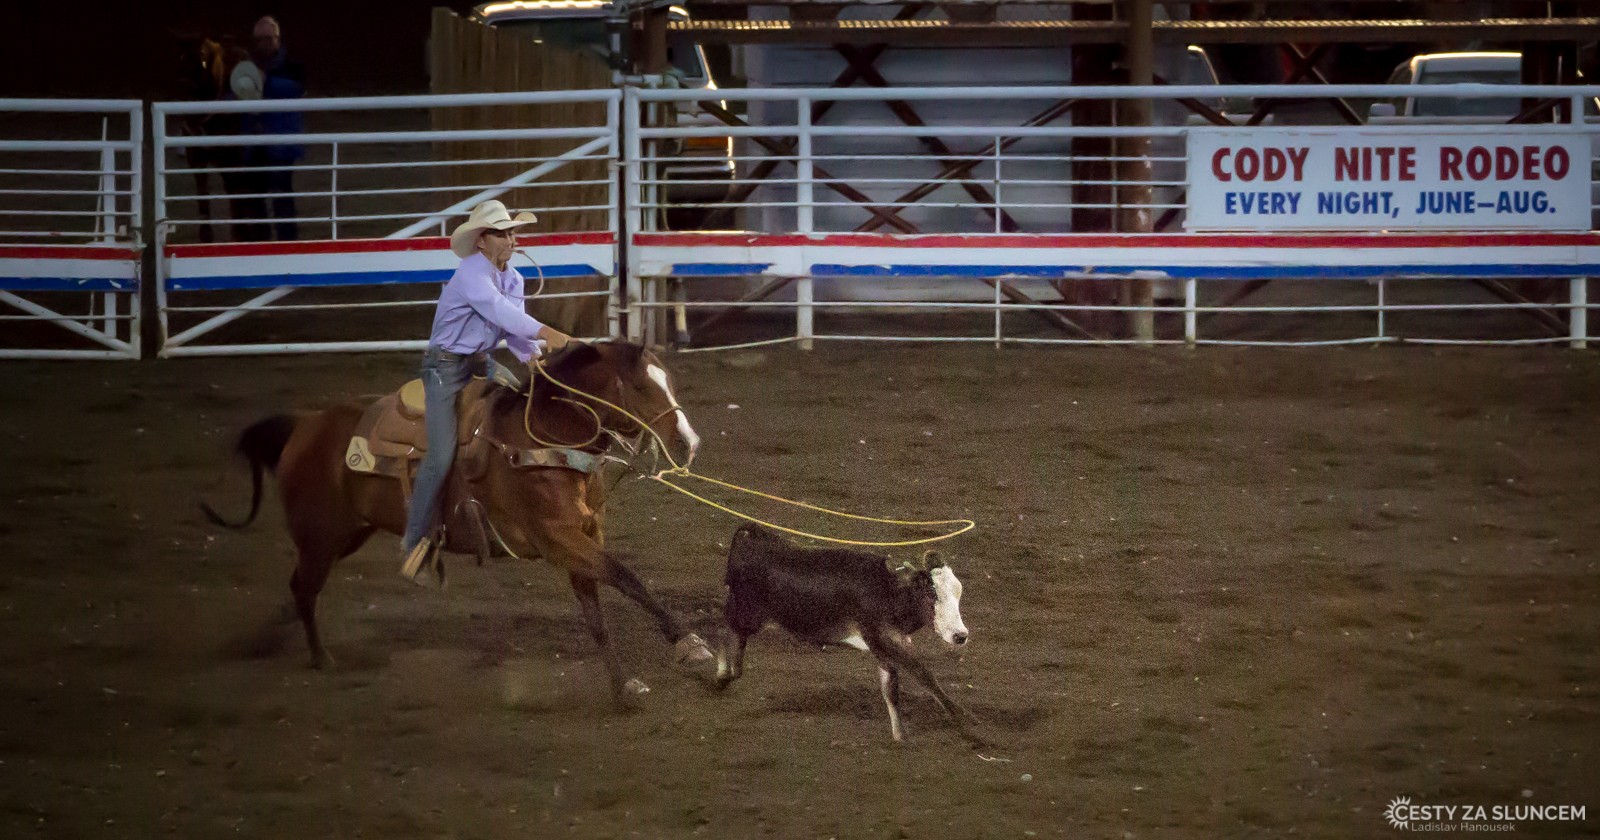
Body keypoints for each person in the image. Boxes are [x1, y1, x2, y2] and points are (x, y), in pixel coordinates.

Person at [400, 200, 573, 586]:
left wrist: (532, 356)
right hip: (445, 368)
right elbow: (501, 313)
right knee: (441, 452)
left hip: (480, 363)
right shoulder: (469, 275)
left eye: (512, 232)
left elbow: (512, 331)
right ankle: (414, 540)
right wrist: (548, 333)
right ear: (481, 241)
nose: (511, 239)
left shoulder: (513, 278)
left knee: (519, 415)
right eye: (502, 233)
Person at [238, 15, 306, 241]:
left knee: (282, 198)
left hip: (280, 145)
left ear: (278, 38)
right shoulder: (246, 66)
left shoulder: (292, 63)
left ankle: (288, 246)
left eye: (268, 38)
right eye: (259, 39)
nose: (263, 44)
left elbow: (297, 88)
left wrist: (264, 81)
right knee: (254, 200)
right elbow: (237, 94)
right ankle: (260, 246)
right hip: (253, 143)